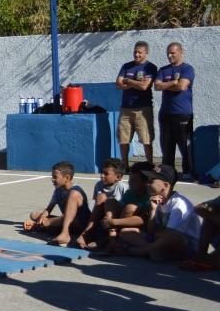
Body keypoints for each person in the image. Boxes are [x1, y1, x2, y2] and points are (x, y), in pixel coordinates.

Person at [114, 164, 202, 261]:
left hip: (185, 246)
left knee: (174, 236)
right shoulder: (157, 200)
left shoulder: (179, 204)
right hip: (159, 240)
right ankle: (152, 251)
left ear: (165, 185)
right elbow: (151, 231)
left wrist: (154, 236)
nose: (147, 184)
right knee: (125, 232)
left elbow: (169, 234)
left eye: (151, 181)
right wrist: (153, 210)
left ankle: (141, 251)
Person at [23, 161, 91, 246]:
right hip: (66, 221)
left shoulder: (76, 192)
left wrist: (49, 222)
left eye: (55, 177)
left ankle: (61, 232)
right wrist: (42, 218)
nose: (52, 179)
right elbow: (49, 209)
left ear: (67, 178)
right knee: (34, 215)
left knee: (54, 222)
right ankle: (40, 226)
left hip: (79, 223)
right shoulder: (58, 191)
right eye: (52, 177)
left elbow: (71, 216)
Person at [115, 41, 157, 170]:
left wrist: (128, 81)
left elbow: (145, 86)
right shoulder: (126, 66)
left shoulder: (150, 67)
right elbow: (118, 84)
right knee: (123, 139)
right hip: (126, 108)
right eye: (135, 52)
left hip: (143, 109)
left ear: (146, 53)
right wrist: (136, 83)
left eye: (140, 52)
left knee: (146, 139)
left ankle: (149, 165)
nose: (137, 55)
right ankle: (125, 166)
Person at [155, 42, 194, 178]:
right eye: (168, 53)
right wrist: (173, 83)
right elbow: (157, 86)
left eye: (172, 53)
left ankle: (188, 172)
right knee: (167, 147)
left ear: (181, 52)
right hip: (165, 114)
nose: (169, 56)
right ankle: (168, 173)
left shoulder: (187, 69)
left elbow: (182, 86)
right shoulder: (163, 70)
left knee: (184, 145)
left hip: (182, 114)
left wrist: (165, 85)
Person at [75, 158, 128, 250]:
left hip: (115, 220)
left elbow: (125, 209)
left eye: (106, 174)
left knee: (109, 201)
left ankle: (107, 239)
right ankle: (87, 233)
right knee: (101, 197)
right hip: (101, 219)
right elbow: (96, 207)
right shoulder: (99, 185)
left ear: (118, 177)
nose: (102, 176)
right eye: (101, 172)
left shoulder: (123, 187)